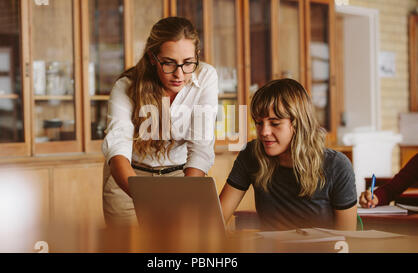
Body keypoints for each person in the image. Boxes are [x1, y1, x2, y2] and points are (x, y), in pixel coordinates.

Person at [102, 17, 218, 228]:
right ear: (153, 57)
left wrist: (183, 199)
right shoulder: (126, 86)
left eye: (188, 63)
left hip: (180, 177)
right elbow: (117, 148)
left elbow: (200, 148)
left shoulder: (207, 77)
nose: (179, 74)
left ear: (197, 56)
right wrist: (149, 199)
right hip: (129, 179)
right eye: (168, 63)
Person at [219, 79, 358, 231]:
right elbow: (218, 219)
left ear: (298, 123)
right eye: (259, 123)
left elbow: (347, 240)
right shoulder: (251, 155)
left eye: (275, 123)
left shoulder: (337, 166)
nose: (264, 132)